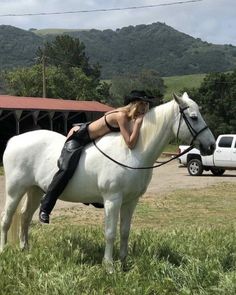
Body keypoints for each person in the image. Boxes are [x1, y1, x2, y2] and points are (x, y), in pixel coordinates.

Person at [39, 90, 154, 223]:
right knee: (67, 169)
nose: (145, 108)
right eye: (142, 104)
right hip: (80, 137)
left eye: (146, 104)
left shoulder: (131, 118)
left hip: (93, 140)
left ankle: (88, 197)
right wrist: (138, 124)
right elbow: (130, 143)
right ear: (134, 104)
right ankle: (45, 207)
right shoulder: (121, 116)